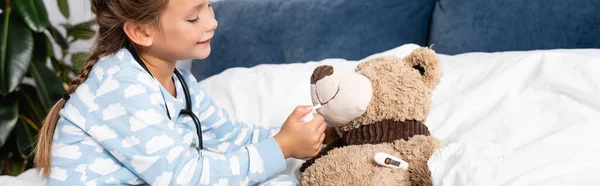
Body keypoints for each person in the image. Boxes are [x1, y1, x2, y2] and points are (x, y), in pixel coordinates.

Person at [34, 0, 339, 185]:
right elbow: (186, 179)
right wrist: (281, 147)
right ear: (141, 31)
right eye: (194, 17)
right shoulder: (120, 86)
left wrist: (307, 136)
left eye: (208, 5)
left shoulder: (180, 82)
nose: (212, 22)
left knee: (280, 182)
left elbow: (230, 137)